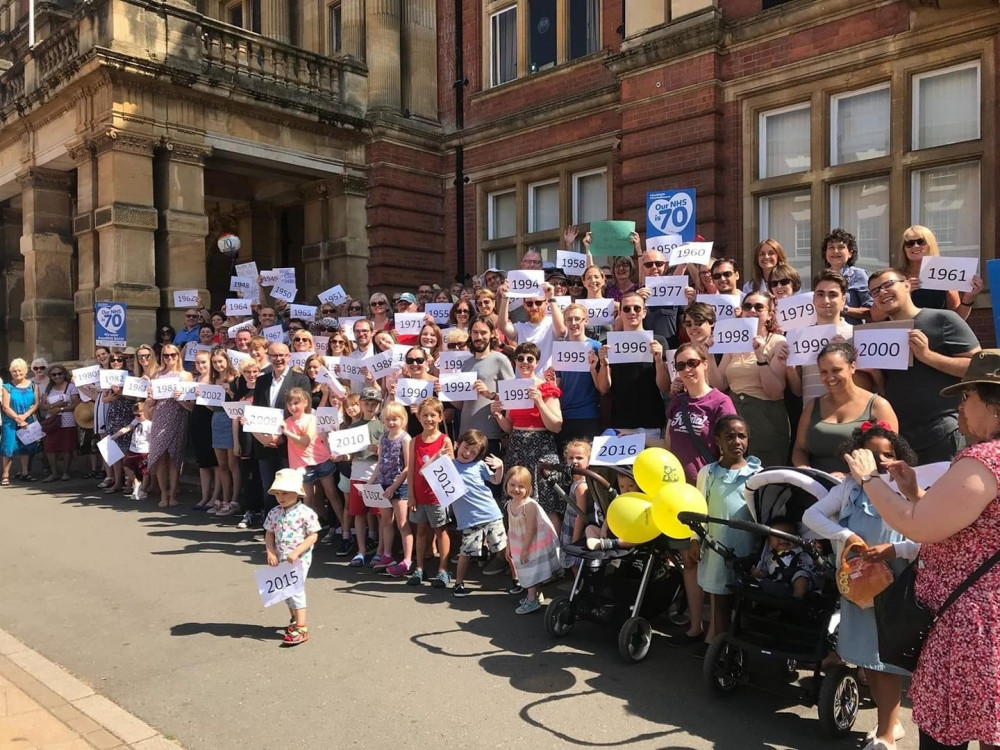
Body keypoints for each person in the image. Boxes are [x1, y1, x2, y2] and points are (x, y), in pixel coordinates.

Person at [842, 350, 1000, 750]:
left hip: (968, 627)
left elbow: (919, 525)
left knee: (948, 731)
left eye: (968, 397)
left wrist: (869, 480)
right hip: (984, 620)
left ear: (995, 405)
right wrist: (914, 491)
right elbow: (967, 525)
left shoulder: (983, 460)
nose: (959, 406)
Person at [803, 422, 920, 750]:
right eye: (870, 454)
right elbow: (813, 516)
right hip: (859, 587)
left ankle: (886, 734)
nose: (880, 461)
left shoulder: (904, 491)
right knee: (870, 659)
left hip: (893, 585)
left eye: (888, 454)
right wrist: (845, 535)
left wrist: (893, 550)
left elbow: (923, 539)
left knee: (887, 661)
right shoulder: (848, 489)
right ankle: (891, 723)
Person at [867, 268, 980, 463]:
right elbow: (886, 388)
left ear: (907, 285)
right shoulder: (879, 335)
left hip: (942, 433)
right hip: (900, 437)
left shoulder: (943, 319)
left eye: (888, 285)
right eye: (875, 291)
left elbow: (979, 367)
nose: (882, 293)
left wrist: (928, 356)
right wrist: (874, 372)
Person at [693, 415, 760, 656]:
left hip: (747, 552)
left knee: (745, 603)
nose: (736, 441)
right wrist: (694, 541)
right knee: (719, 601)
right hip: (717, 550)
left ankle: (742, 651)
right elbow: (699, 510)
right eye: (729, 436)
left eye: (741, 436)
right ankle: (720, 651)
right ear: (718, 440)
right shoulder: (708, 473)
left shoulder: (758, 474)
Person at [792, 343, 898, 476]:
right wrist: (805, 469)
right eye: (824, 372)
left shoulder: (878, 406)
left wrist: (850, 476)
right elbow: (799, 449)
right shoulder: (812, 406)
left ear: (852, 367)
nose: (830, 377)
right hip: (814, 487)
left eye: (836, 370)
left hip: (864, 489)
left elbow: (890, 457)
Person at [710, 291, 789, 468]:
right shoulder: (733, 341)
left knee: (765, 477)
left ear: (770, 314)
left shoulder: (778, 342)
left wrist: (761, 357)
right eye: (747, 306)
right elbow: (720, 384)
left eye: (758, 307)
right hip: (735, 417)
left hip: (765, 418)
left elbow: (774, 391)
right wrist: (709, 354)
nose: (752, 310)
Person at [491, 342, 564, 529]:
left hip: (542, 448)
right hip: (517, 449)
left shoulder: (547, 388)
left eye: (530, 359)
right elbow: (509, 427)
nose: (525, 362)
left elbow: (556, 425)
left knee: (547, 504)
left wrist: (539, 401)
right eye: (520, 358)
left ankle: (551, 552)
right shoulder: (511, 389)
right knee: (518, 500)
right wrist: (498, 415)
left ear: (537, 362)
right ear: (515, 361)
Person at [596, 292, 669, 440]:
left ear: (644, 312)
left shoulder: (658, 342)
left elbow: (665, 387)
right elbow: (603, 388)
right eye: (627, 309)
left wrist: (659, 360)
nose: (632, 312)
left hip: (652, 421)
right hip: (621, 423)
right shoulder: (609, 344)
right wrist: (604, 365)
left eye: (637, 308)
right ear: (620, 313)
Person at [398, 397, 454, 586]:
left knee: (440, 531)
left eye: (432, 415)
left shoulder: (445, 440)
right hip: (420, 496)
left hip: (438, 496)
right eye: (424, 415)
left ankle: (443, 569)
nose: (428, 419)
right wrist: (411, 495)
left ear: (440, 417)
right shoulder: (414, 441)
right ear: (419, 417)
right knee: (421, 531)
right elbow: (412, 470)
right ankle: (419, 568)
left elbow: (452, 469)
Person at [263, 468, 321, 647]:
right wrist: (270, 551)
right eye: (278, 493)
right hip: (281, 558)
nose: (281, 497)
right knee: (284, 591)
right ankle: (294, 619)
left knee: (295, 590)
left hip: (299, 560)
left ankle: (302, 627)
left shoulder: (306, 513)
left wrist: (296, 552)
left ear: (297, 492)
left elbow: (313, 535)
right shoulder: (274, 512)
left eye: (286, 493)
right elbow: (269, 533)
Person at [666, 343, 737, 484]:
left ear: (705, 364)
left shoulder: (721, 402)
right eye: (680, 366)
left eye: (692, 363)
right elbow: (668, 444)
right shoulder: (677, 402)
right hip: (676, 486)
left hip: (708, 485)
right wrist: (634, 439)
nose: (687, 369)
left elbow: (730, 451)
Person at [252, 342, 312, 507]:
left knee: (289, 488)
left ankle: (290, 528)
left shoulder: (300, 380)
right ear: (268, 357)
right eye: (274, 355)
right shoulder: (262, 381)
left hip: (289, 443)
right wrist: (263, 438)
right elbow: (257, 410)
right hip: (264, 443)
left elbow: (304, 412)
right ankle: (270, 528)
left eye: (281, 355)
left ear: (288, 357)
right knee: (269, 488)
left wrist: (281, 437)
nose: (278, 359)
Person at [450, 429, 506, 597]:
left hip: (490, 513)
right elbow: (426, 473)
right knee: (466, 552)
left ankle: (518, 581)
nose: (467, 453)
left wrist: (500, 466)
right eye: (466, 447)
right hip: (469, 519)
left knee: (503, 549)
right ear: (458, 444)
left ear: (478, 455)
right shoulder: (448, 465)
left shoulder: (479, 465)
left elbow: (496, 480)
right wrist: (436, 458)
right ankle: (458, 584)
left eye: (473, 452)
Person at [893, 225, 982, 321]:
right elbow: (877, 316)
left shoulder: (943, 273)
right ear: (904, 248)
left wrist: (968, 298)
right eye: (909, 243)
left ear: (930, 245)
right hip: (907, 332)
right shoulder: (895, 276)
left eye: (921, 242)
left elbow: (957, 319)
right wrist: (904, 295)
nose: (915, 246)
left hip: (937, 333)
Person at [505, 465, 561, 614]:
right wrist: (508, 545)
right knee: (525, 569)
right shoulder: (510, 504)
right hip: (518, 542)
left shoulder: (529, 505)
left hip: (531, 543)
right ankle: (535, 595)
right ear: (506, 484)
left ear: (528, 488)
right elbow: (510, 526)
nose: (516, 489)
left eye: (521, 486)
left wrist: (525, 548)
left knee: (530, 571)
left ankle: (531, 600)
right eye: (512, 485)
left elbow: (531, 529)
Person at [459, 315, 515, 458]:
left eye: (483, 332)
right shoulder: (465, 364)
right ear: (470, 334)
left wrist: (489, 394)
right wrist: (444, 393)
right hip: (465, 435)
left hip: (489, 435)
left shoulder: (500, 359)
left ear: (492, 334)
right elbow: (460, 404)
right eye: (475, 332)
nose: (479, 337)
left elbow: (513, 397)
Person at [552, 303, 602, 454]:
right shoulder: (560, 349)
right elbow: (558, 385)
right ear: (565, 322)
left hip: (588, 415)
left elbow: (603, 387)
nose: (573, 323)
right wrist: (551, 379)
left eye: (577, 319)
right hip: (564, 417)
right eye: (569, 319)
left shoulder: (597, 347)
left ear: (586, 321)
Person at [147, 344, 193, 507]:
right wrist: (150, 398)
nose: (170, 358)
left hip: (178, 416)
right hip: (160, 416)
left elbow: (192, 403)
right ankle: (163, 494)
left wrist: (182, 397)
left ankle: (172, 494)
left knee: (175, 457)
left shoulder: (185, 375)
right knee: (160, 457)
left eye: (173, 355)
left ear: (178, 356)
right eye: (166, 356)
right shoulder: (157, 374)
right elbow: (150, 403)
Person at [345, 388, 385, 567]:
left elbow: (390, 454)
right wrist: (341, 456)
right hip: (357, 474)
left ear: (379, 405)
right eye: (367, 403)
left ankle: (380, 551)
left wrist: (379, 450)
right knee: (358, 513)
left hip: (376, 475)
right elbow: (349, 454)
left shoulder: (383, 426)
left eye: (374, 404)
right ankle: (361, 551)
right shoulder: (353, 426)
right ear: (361, 404)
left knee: (380, 515)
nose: (370, 407)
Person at [371, 401, 411, 571]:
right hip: (383, 484)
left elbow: (408, 467)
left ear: (403, 419)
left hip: (399, 486)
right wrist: (370, 482)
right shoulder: (383, 437)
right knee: (386, 521)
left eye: (395, 419)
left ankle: (407, 560)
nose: (391, 422)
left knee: (402, 523)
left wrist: (394, 487)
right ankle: (387, 555)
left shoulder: (405, 438)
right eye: (388, 419)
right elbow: (380, 462)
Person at [497, 279, 566, 375]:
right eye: (529, 304)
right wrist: (505, 298)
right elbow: (502, 326)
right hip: (524, 384)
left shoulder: (552, 323)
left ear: (546, 303)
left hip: (547, 384)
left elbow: (562, 331)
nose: (534, 307)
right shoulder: (520, 327)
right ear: (524, 305)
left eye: (538, 303)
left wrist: (551, 298)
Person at [187, 350, 220, 512]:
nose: (201, 366)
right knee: (203, 462)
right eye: (198, 363)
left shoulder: (215, 381)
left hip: (212, 423)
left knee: (215, 462)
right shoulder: (195, 380)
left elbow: (216, 408)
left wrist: (203, 397)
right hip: (197, 422)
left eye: (204, 362)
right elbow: (193, 407)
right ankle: (204, 496)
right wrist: (180, 400)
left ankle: (216, 497)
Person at [750, 518, 815, 599]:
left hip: (799, 574)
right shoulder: (768, 556)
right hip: (778, 580)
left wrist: (817, 550)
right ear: (770, 541)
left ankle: (796, 598)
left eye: (789, 535)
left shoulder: (801, 549)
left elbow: (815, 561)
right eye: (778, 536)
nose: (784, 539)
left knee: (801, 579)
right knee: (766, 582)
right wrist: (759, 573)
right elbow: (766, 572)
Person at [1, 358, 40, 484]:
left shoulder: (34, 386)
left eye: (19, 370)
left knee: (27, 447)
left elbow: (36, 404)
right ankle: (5, 474)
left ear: (25, 371)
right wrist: (18, 418)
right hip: (10, 421)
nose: (17, 373)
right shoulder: (7, 387)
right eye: (14, 371)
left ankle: (25, 473)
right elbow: (5, 406)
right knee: (8, 447)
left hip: (27, 419)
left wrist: (25, 416)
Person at [100, 351, 135, 493]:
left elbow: (136, 397)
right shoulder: (107, 376)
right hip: (113, 414)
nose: (116, 362)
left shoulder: (130, 375)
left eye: (119, 359)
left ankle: (129, 482)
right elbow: (104, 398)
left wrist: (120, 392)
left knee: (126, 449)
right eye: (113, 360)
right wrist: (107, 399)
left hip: (126, 413)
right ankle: (117, 481)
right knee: (113, 449)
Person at [822, 228, 872, 325]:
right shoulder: (822, 278)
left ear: (850, 253)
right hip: (825, 333)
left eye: (841, 247)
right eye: (831, 247)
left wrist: (843, 309)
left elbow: (872, 311)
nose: (835, 251)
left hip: (851, 335)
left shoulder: (858, 275)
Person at [40, 364, 79, 482]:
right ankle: (54, 472)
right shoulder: (48, 388)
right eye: (54, 374)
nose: (57, 376)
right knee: (50, 448)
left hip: (67, 421)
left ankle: (66, 472)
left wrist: (61, 409)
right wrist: (56, 406)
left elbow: (76, 403)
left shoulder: (71, 387)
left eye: (59, 374)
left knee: (66, 447)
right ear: (50, 376)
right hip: (52, 421)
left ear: (64, 374)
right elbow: (42, 405)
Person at [559, 439, 592, 571]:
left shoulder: (581, 486)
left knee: (576, 563)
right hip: (571, 523)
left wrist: (575, 541)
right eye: (570, 458)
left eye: (579, 458)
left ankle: (578, 588)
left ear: (588, 461)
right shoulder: (576, 480)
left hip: (576, 528)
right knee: (574, 565)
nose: (574, 461)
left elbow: (580, 514)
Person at [114, 402, 151, 500]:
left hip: (144, 450)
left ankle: (143, 490)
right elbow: (128, 427)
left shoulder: (149, 423)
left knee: (145, 471)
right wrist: (117, 434)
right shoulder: (136, 421)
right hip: (133, 449)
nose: (137, 417)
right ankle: (136, 483)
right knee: (126, 466)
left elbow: (152, 438)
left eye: (139, 415)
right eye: (135, 415)